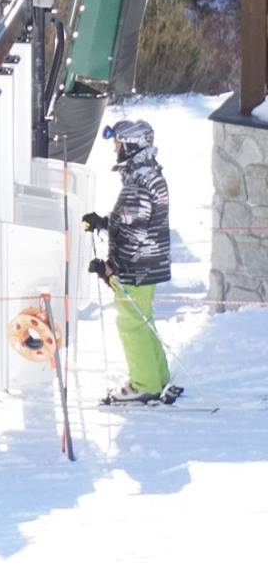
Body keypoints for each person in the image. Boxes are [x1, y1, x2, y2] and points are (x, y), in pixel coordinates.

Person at [83, 118, 175, 404]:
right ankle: (158, 376)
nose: (115, 152)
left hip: (137, 266)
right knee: (142, 319)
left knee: (131, 323)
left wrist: (111, 269)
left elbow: (133, 235)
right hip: (149, 264)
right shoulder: (148, 177)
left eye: (118, 145)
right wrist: (102, 223)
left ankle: (144, 383)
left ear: (131, 147)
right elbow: (129, 223)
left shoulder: (138, 184)